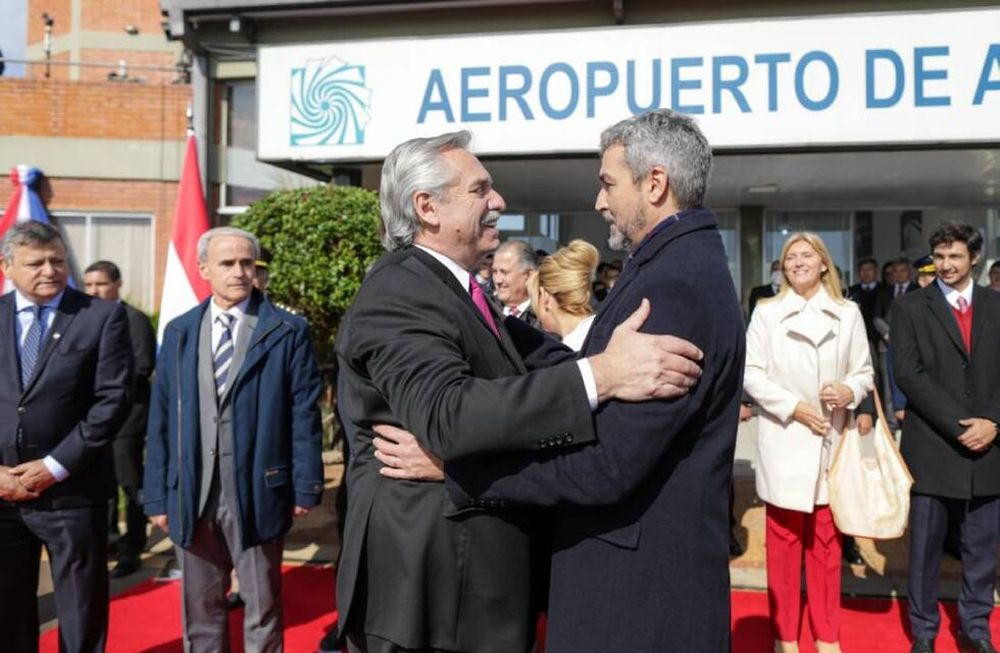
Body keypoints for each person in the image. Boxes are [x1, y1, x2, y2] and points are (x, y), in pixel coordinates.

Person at [379, 109, 745, 651]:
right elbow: (583, 363)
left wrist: (457, 472)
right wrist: (488, 322)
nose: (599, 202)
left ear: (655, 183)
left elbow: (607, 465)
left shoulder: (677, 287)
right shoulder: (668, 264)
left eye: (607, 183)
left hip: (639, 604)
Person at [143, 226, 324, 653]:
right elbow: (162, 415)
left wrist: (306, 485)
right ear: (204, 268)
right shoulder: (180, 331)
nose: (240, 272)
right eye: (228, 263)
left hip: (260, 489)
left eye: (248, 263)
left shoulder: (286, 330)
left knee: (262, 605)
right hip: (191, 492)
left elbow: (304, 413)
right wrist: (155, 496)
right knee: (201, 608)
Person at [0, 221, 131, 653]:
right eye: (35, 262)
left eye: (57, 260)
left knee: (79, 612)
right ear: (7, 266)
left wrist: (55, 466)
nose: (49, 270)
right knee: (8, 610)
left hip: (72, 491)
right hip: (2, 494)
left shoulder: (102, 316)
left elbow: (112, 400)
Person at [743, 232, 874, 653]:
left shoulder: (847, 312)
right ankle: (785, 636)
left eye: (807, 255)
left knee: (827, 546)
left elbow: (865, 371)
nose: (798, 262)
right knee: (782, 547)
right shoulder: (766, 312)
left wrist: (849, 391)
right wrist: (793, 406)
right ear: (782, 268)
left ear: (823, 264)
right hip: (785, 437)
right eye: (790, 257)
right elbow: (749, 373)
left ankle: (828, 635)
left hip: (831, 442)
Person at [892, 221, 1000, 653]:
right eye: (939, 257)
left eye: (955, 256)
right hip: (933, 445)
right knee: (925, 549)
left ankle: (975, 627)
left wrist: (993, 422)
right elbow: (908, 374)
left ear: (974, 257)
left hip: (990, 446)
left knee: (982, 548)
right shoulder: (911, 308)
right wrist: (963, 425)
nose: (946, 265)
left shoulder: (997, 305)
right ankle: (924, 631)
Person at [83, 260, 156, 579]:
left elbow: (141, 368)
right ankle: (109, 541)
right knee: (102, 484)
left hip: (127, 420)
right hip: (91, 420)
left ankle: (133, 547)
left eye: (100, 284)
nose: (94, 291)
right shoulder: (83, 318)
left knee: (130, 483)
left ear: (117, 284)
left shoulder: (134, 319)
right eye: (88, 285)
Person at [527, 239, 599, 351]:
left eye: (535, 300)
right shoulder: (605, 334)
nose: (535, 311)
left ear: (545, 297)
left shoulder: (569, 353)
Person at [493, 239, 540, 326]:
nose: (497, 280)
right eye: (495, 271)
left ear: (528, 274)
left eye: (504, 272)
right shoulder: (486, 310)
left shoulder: (545, 315)